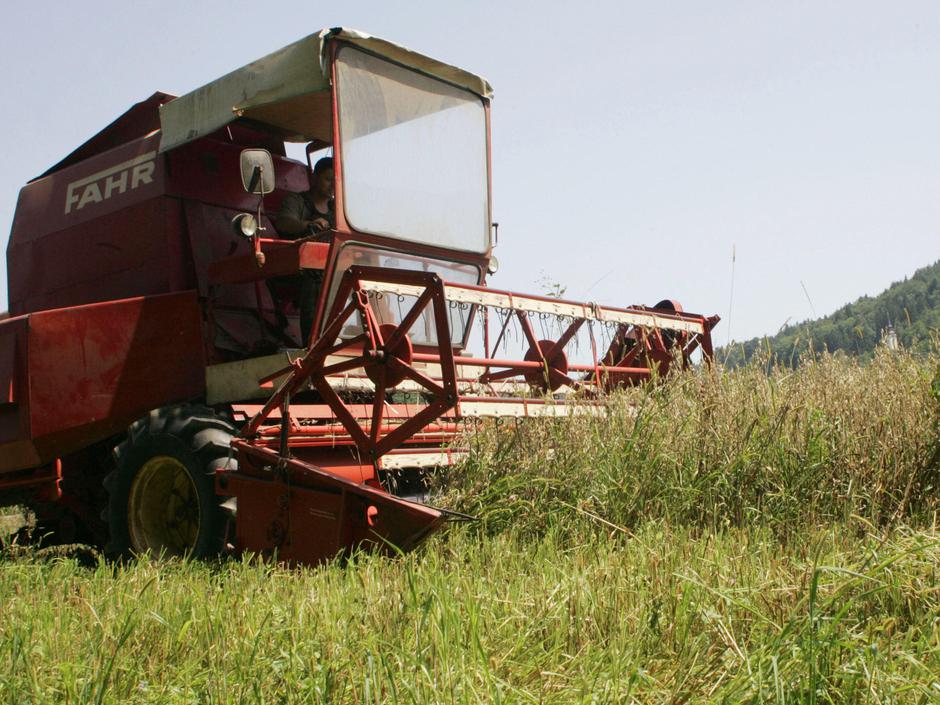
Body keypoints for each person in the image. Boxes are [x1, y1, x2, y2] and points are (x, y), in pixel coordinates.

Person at [272, 157, 335, 346]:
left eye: (336, 181)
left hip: (329, 268)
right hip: (295, 269)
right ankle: (312, 343)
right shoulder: (297, 201)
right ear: (314, 177)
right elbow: (284, 222)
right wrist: (308, 224)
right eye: (328, 179)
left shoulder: (337, 210)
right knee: (315, 276)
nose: (332, 185)